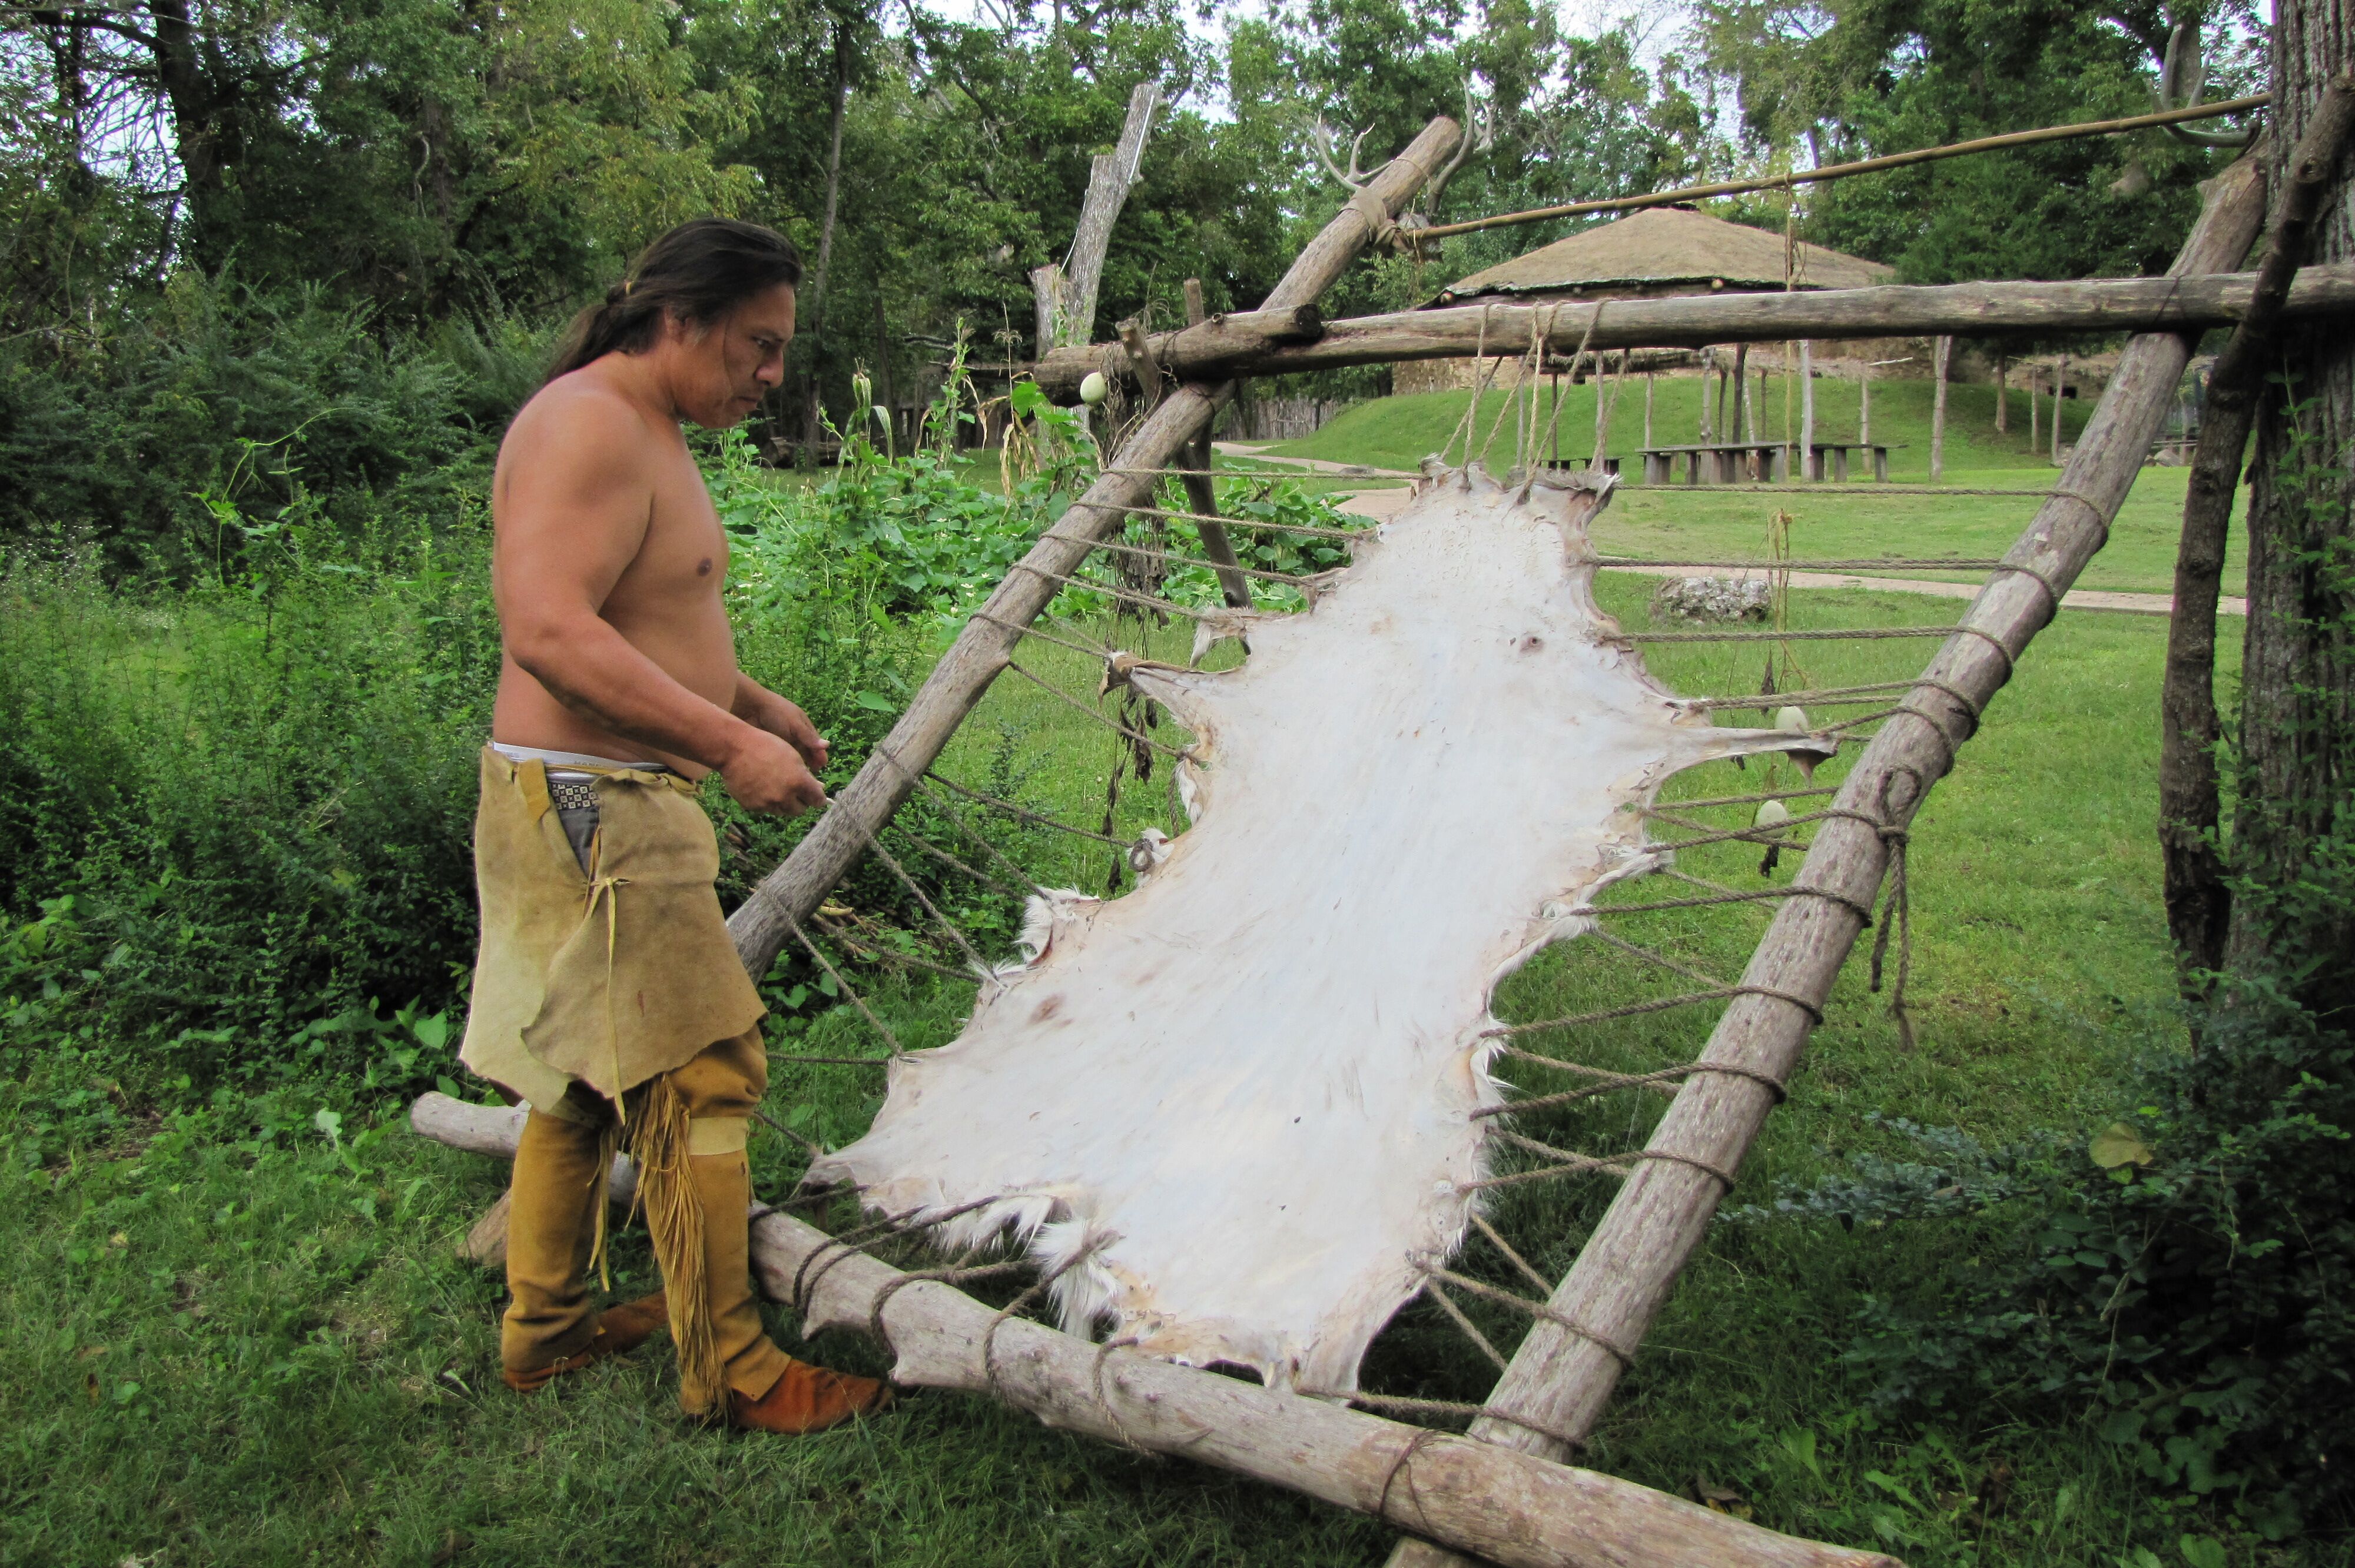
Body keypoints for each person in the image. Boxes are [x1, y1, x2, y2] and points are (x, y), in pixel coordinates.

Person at [457, 217, 888, 1433]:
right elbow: (545, 627)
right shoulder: (589, 422)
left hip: (580, 792)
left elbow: (636, 612)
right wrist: (724, 745)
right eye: (757, 345)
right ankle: (737, 1370)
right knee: (702, 1074)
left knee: (578, 1079)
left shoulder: (639, 426)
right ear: (680, 319)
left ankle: (543, 1330)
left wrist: (749, 700)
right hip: (600, 806)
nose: (769, 374)